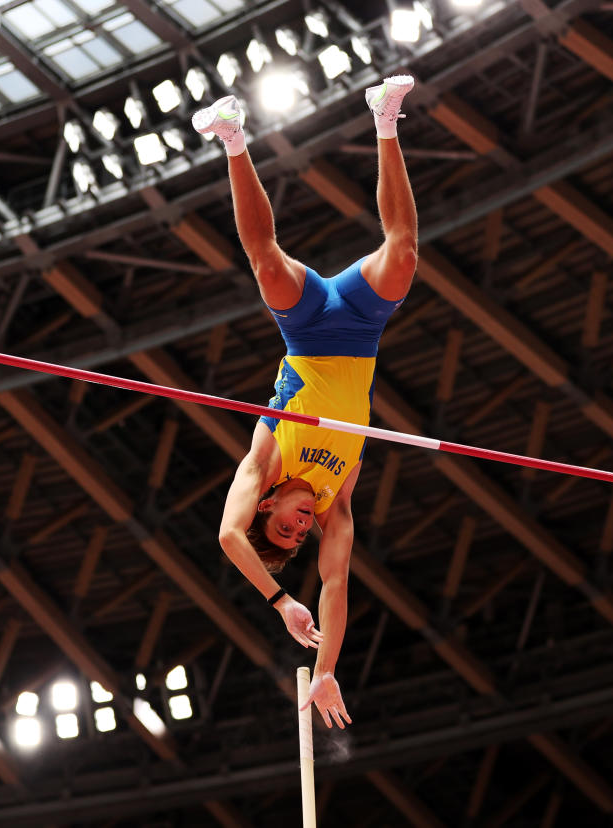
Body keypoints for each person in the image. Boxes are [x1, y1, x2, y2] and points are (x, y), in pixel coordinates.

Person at [198, 76, 418, 730]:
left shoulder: (261, 466)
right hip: (361, 332)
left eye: (285, 527)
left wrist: (276, 601)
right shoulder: (337, 499)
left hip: (309, 330)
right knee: (403, 254)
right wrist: (324, 671)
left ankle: (233, 137)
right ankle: (385, 120)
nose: (299, 528)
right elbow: (337, 587)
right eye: (299, 535)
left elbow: (227, 535)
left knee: (265, 264)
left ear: (268, 505)